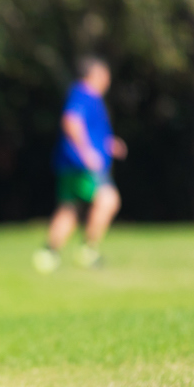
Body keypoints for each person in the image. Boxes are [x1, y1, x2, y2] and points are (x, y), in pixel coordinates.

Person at [33, 56, 127, 272]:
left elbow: (91, 129)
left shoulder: (84, 95)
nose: (108, 81)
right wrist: (87, 154)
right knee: (109, 199)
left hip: (69, 163)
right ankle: (88, 251)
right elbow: (71, 121)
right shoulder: (85, 94)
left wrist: (108, 144)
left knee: (69, 208)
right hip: (82, 164)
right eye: (106, 76)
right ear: (95, 75)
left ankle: (49, 253)